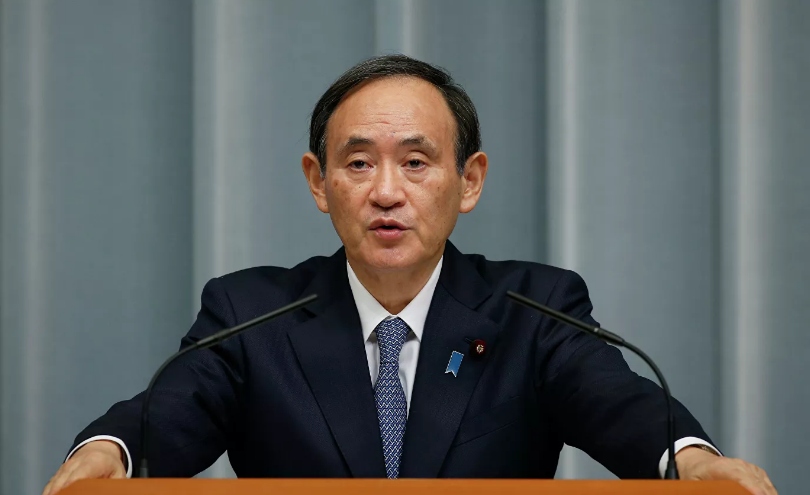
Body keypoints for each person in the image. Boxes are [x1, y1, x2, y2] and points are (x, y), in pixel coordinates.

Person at [43, 55, 776, 495]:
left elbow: (619, 403)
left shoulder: (534, 309)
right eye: (359, 163)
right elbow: (166, 415)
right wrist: (106, 453)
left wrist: (692, 464)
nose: (387, 192)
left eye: (417, 162)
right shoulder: (250, 313)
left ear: (469, 181)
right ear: (319, 182)